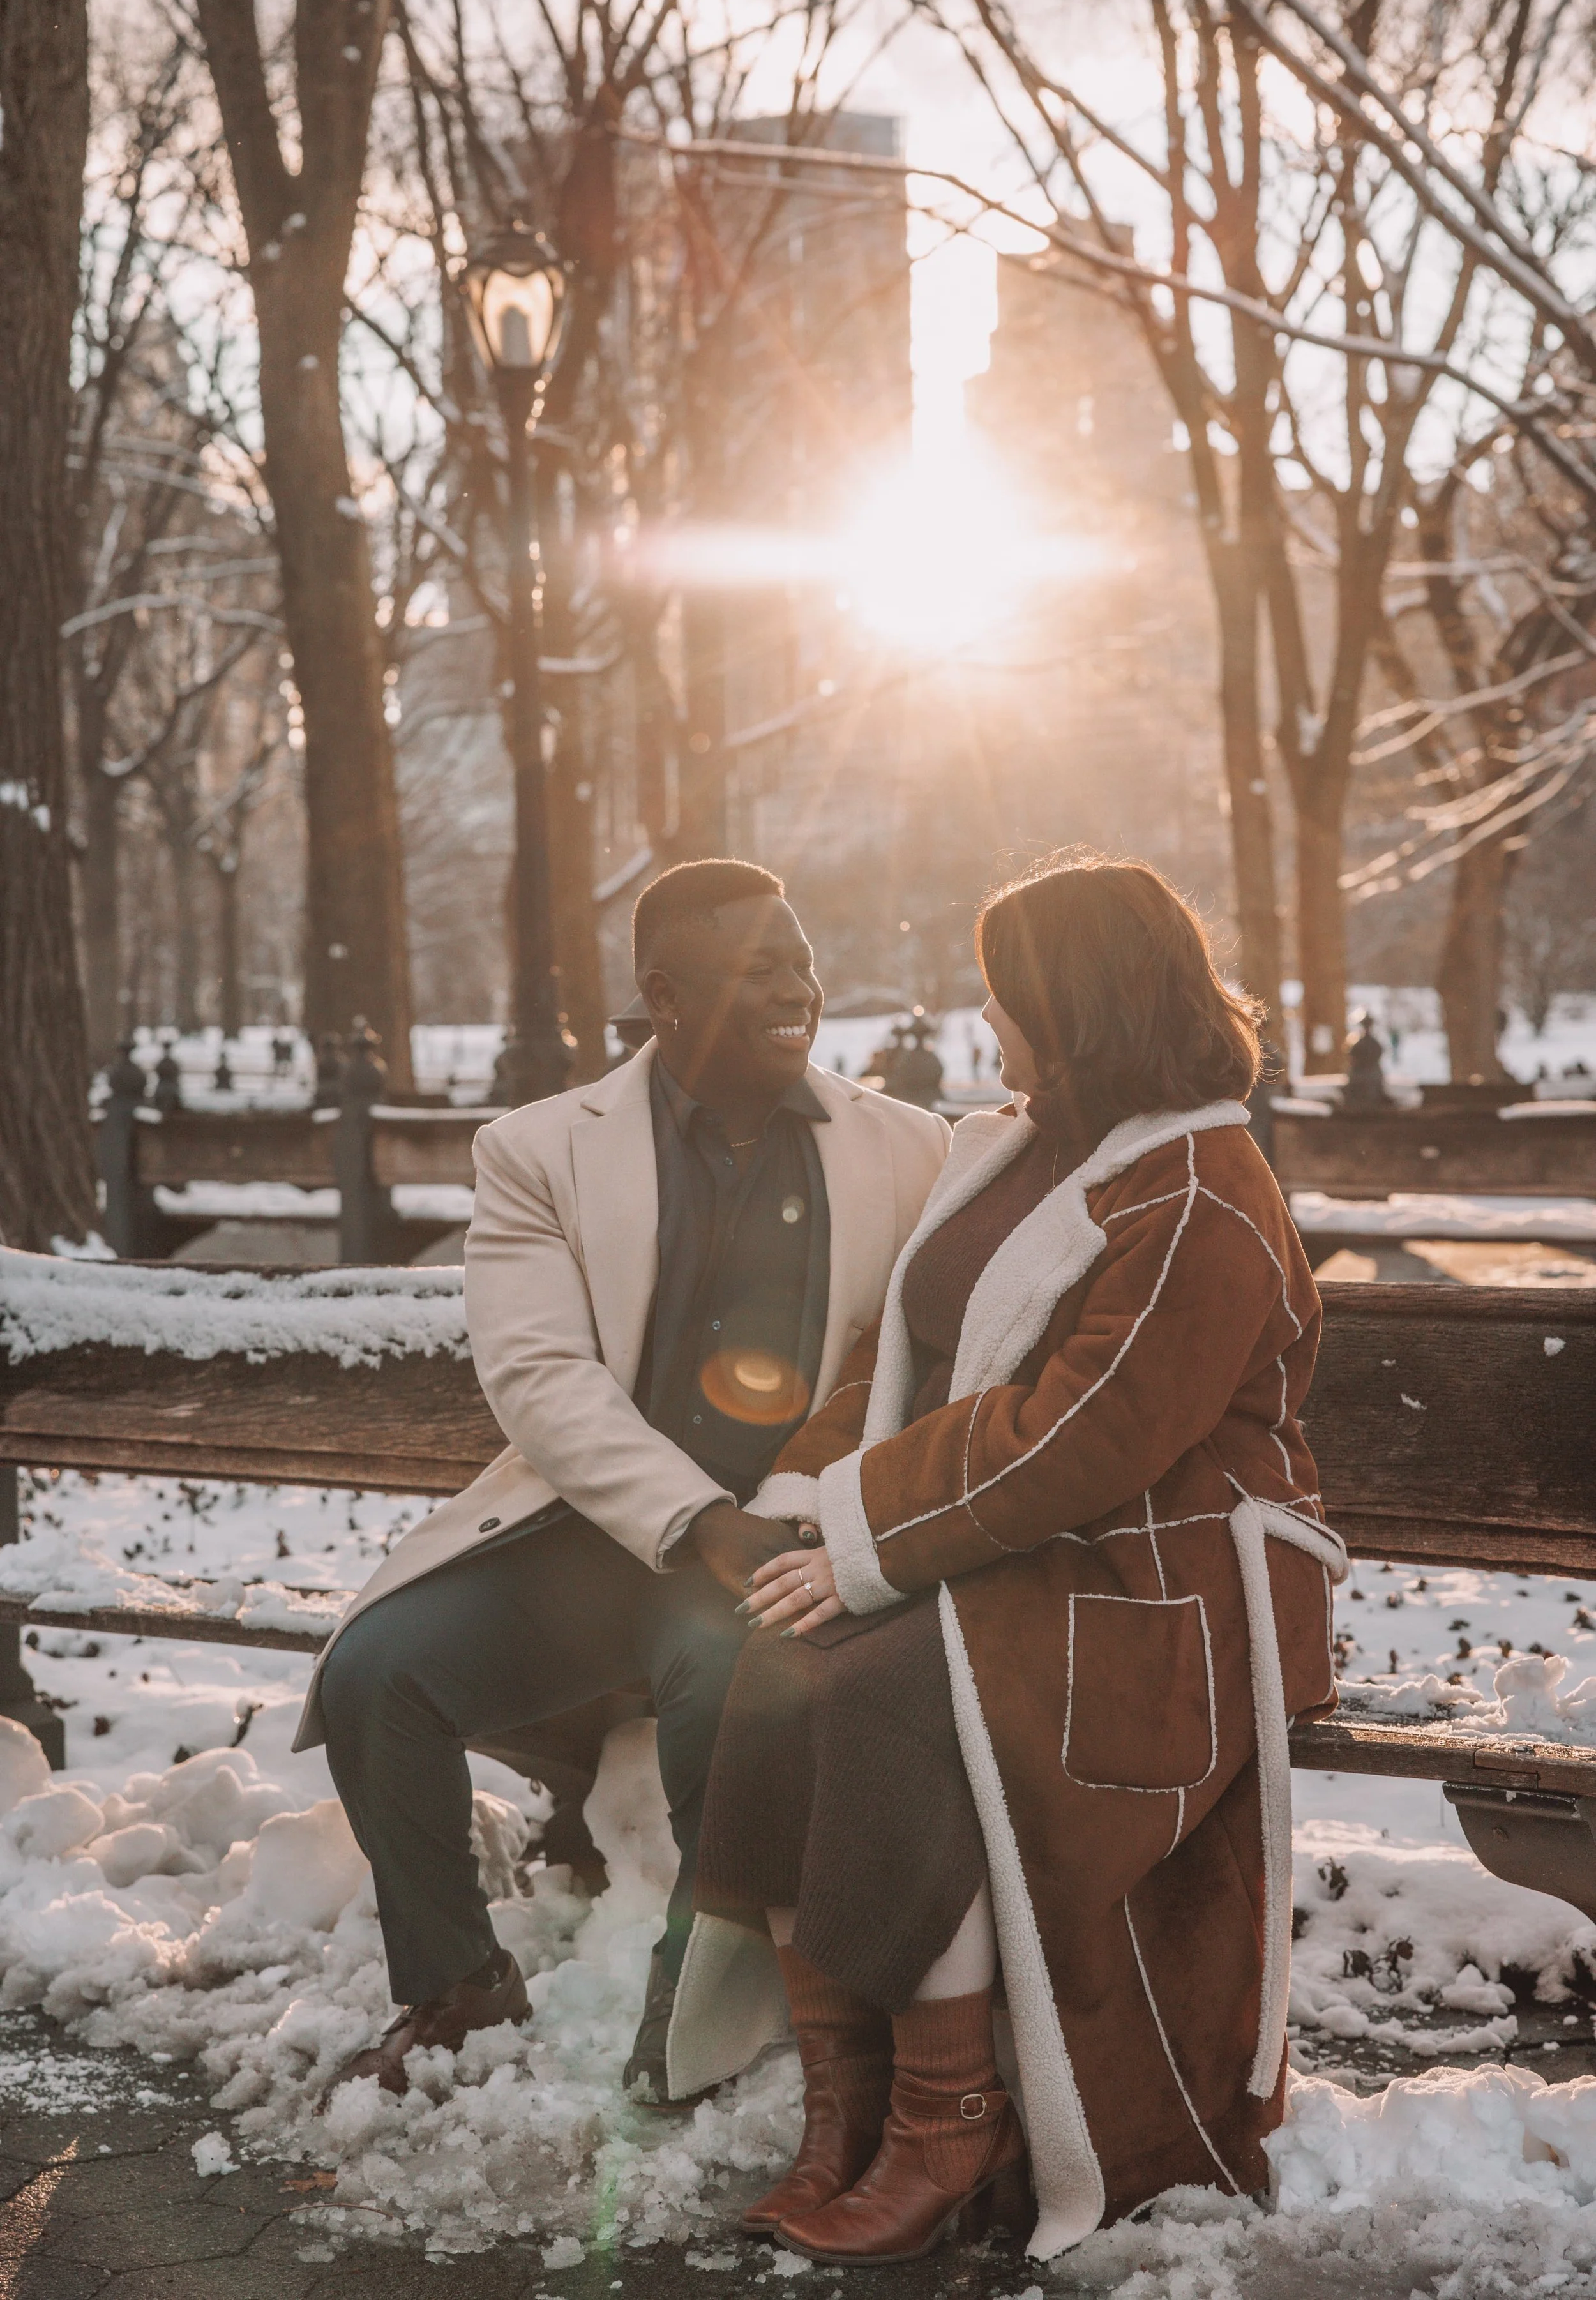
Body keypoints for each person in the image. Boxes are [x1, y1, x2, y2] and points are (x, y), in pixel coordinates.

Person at [670, 852, 1344, 2264]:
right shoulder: (1018, 1144)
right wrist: (813, 1499)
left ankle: (947, 2114)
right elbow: (896, 1352)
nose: (986, 1027)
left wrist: (868, 1540)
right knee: (776, 1676)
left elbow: (1081, 1434)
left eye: (1005, 997)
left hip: (1167, 1583)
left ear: (1075, 1002)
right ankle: (840, 2113)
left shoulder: (1199, 1194)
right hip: (1020, 1544)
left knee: (890, 1698)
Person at [296, 859, 951, 2101]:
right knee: (380, 1673)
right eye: (755, 965)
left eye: (800, 958)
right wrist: (691, 1516)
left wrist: (783, 1516)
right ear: (662, 993)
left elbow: (923, 1355)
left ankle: (690, 2026)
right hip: (590, 1532)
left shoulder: (910, 1149)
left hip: (782, 1545)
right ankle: (456, 1985)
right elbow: (537, 1376)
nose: (795, 986)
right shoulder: (540, 1150)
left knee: (732, 1692)